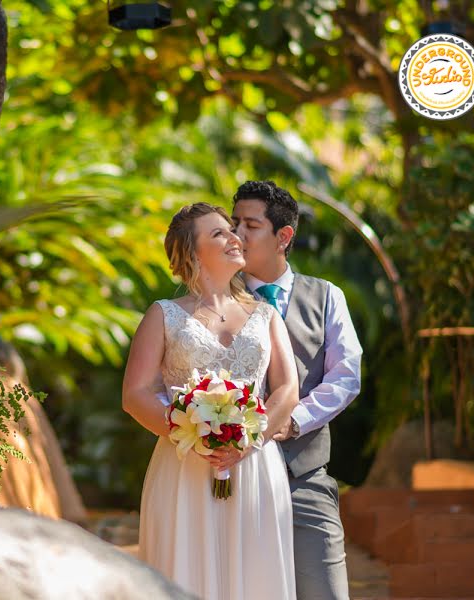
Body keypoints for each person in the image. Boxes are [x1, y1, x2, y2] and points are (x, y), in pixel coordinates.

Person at [123, 202, 300, 599]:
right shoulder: (163, 315)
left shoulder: (266, 314)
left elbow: (287, 389)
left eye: (233, 229)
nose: (235, 238)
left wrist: (247, 442)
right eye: (220, 233)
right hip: (184, 464)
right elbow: (135, 394)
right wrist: (194, 434)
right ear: (191, 253)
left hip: (256, 466)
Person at [231, 180, 363, 600]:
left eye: (250, 225)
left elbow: (346, 376)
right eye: (233, 222)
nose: (236, 234)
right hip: (232, 478)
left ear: (283, 236)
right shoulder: (216, 300)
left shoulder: (326, 297)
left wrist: (292, 421)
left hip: (304, 477)